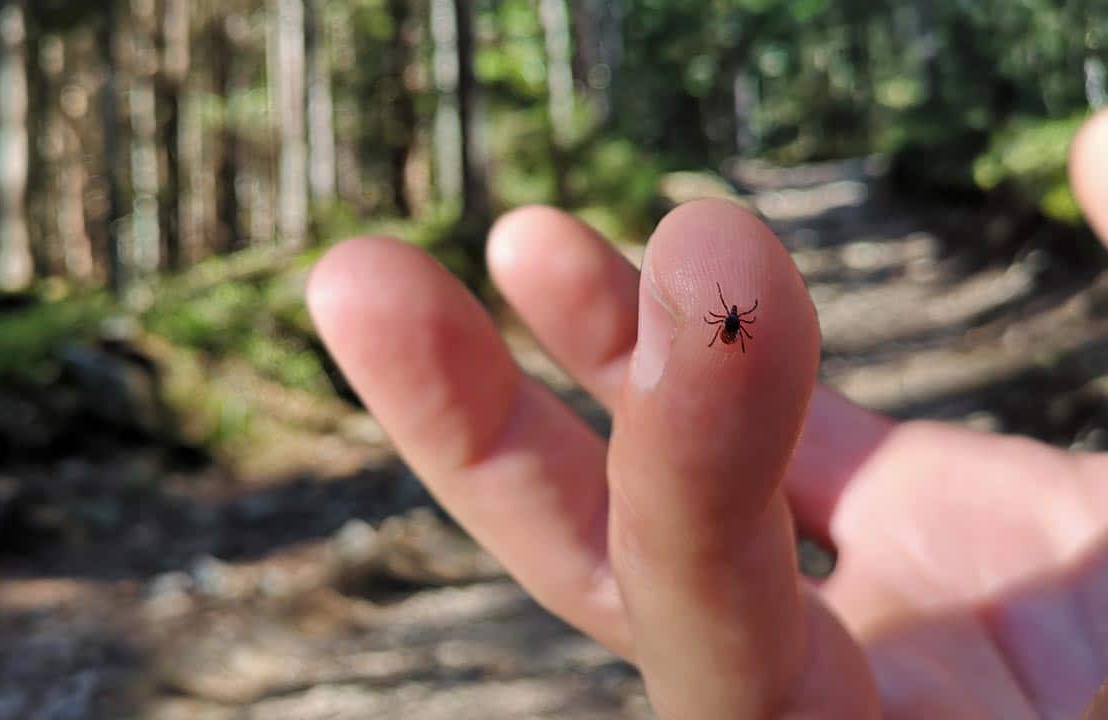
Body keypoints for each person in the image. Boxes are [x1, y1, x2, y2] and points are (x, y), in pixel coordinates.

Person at [305, 109, 1108, 719]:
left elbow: (737, 323)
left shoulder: (733, 322)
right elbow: (735, 323)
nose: (730, 324)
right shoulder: (731, 321)